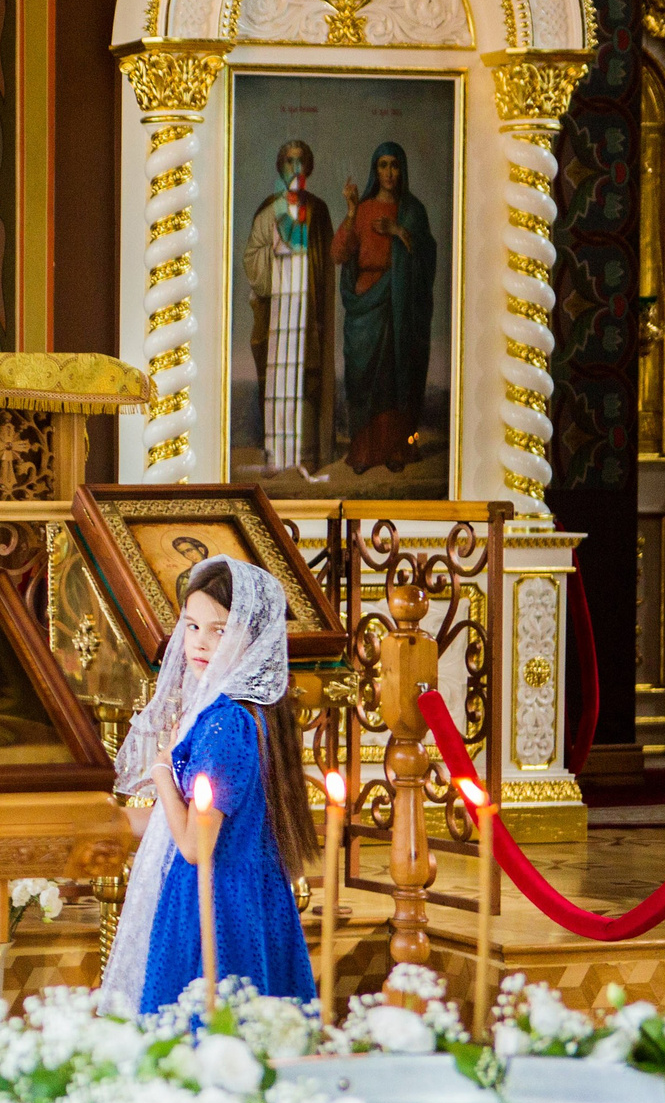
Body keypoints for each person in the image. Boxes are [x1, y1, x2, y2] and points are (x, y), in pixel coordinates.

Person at [98, 556, 318, 1013]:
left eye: (220, 630)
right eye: (192, 626)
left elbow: (196, 845)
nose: (200, 643)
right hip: (248, 896)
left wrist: (160, 774)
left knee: (197, 1041)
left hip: (211, 905)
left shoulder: (225, 724)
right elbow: (173, 824)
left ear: (252, 639)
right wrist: (102, 820)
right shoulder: (248, 714)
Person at [330, 140, 437, 474]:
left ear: (402, 169)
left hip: (398, 302)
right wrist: (349, 211)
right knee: (362, 377)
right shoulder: (361, 210)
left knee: (393, 376)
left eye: (395, 165)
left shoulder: (412, 211)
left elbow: (427, 256)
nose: (389, 172)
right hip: (365, 302)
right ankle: (363, 450)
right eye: (383, 165)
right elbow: (339, 255)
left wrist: (398, 231)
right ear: (374, 170)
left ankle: (396, 449)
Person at [242, 140, 333, 478]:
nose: (295, 168)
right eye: (289, 161)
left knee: (304, 377)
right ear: (280, 167)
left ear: (308, 168)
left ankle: (305, 454)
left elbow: (325, 260)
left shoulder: (318, 210)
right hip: (278, 309)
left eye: (300, 162)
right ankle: (276, 456)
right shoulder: (270, 210)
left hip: (306, 309)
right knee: (280, 379)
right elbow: (252, 255)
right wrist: (274, 257)